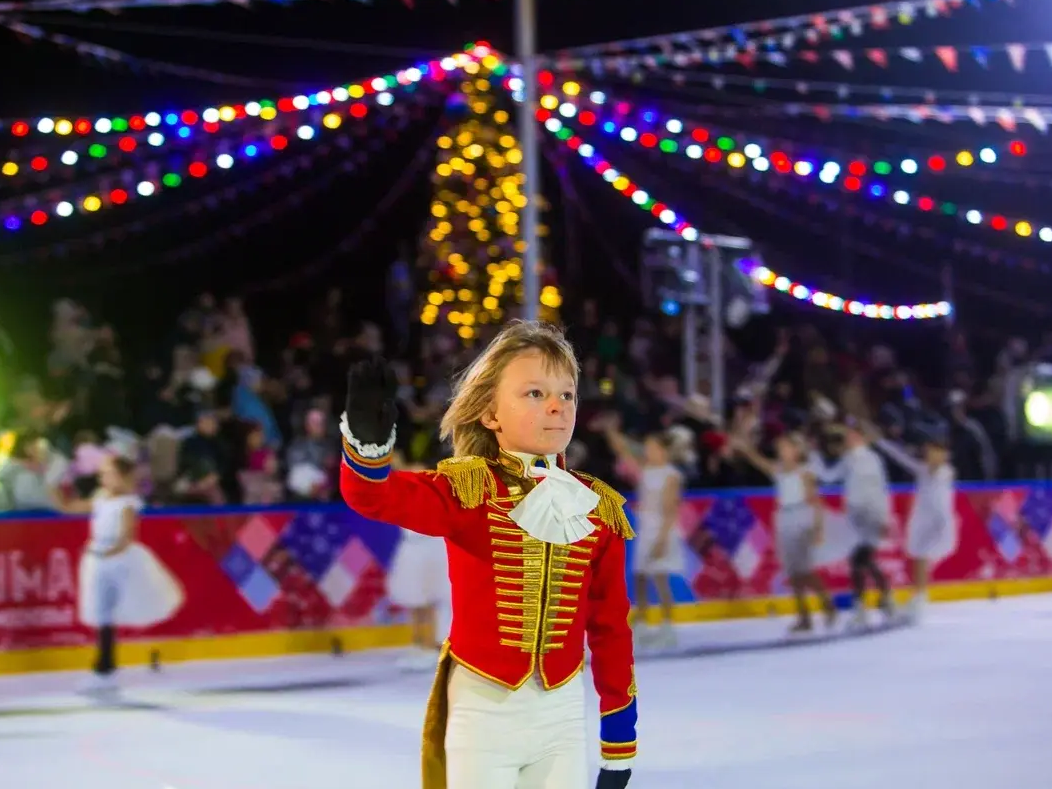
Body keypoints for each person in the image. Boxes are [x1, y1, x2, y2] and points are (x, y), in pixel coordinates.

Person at [339, 321, 635, 789]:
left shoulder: (598, 508)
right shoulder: (469, 490)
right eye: (535, 393)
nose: (557, 406)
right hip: (482, 713)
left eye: (568, 394)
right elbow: (374, 498)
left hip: (562, 715)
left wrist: (619, 744)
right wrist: (368, 450)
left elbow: (611, 627)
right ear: (490, 414)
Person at [54, 455, 184, 692]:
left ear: (122, 476)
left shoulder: (127, 503)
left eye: (108, 472)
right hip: (99, 559)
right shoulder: (101, 498)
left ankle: (107, 666)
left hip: (119, 562)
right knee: (102, 613)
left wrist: (104, 552)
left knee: (122, 608)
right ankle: (105, 665)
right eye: (102, 472)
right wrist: (52, 485)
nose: (102, 476)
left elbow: (126, 538)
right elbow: (69, 508)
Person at [732, 431, 836, 634]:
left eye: (786, 447)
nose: (781, 451)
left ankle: (827, 604)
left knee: (805, 570)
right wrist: (745, 449)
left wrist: (818, 528)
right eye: (780, 448)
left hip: (801, 517)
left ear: (796, 450)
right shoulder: (779, 470)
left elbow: (816, 501)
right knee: (793, 573)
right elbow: (759, 461)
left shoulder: (805, 472)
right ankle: (804, 616)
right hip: (784, 519)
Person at [601, 416, 687, 651]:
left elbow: (670, 511)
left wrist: (661, 539)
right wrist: (611, 431)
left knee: (660, 578)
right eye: (647, 447)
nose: (648, 451)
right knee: (640, 577)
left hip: (662, 529)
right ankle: (641, 625)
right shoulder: (647, 470)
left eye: (652, 448)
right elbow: (623, 450)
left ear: (663, 450)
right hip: (646, 528)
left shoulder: (671, 475)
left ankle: (668, 627)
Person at [870, 424, 957, 622]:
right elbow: (900, 457)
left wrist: (941, 526)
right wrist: (880, 442)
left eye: (934, 451)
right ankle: (918, 597)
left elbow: (941, 503)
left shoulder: (945, 472)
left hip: (939, 524)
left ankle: (919, 600)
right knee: (919, 559)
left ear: (943, 454)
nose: (929, 455)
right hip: (924, 523)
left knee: (922, 558)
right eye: (928, 451)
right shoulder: (923, 470)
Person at [813, 420, 894, 628]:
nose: (847, 439)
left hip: (872, 516)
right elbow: (828, 477)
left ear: (860, 437)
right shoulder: (848, 459)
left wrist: (885, 518)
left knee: (861, 560)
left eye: (851, 435)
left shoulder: (873, 459)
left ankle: (869, 603)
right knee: (861, 561)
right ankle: (879, 600)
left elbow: (882, 489)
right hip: (855, 517)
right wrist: (813, 457)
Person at [387, 452, 453, 671]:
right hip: (412, 550)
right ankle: (417, 643)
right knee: (414, 600)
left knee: (431, 600)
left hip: (431, 549)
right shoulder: (402, 494)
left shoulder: (434, 496)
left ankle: (432, 644)